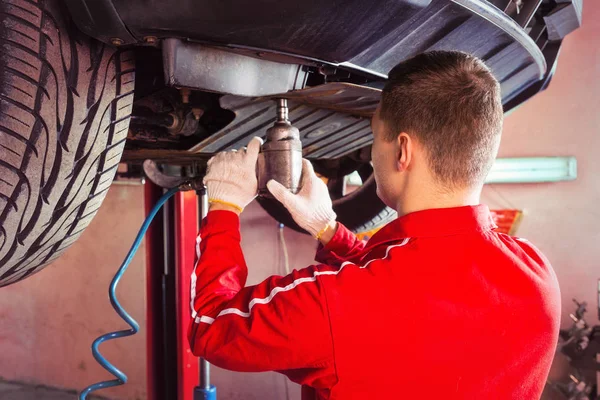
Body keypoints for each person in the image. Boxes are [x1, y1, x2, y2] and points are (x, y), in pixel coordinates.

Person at [188, 51, 560, 400]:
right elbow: (405, 286)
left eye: (373, 137)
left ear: (402, 151)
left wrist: (224, 205)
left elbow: (212, 327)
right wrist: (329, 231)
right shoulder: (537, 273)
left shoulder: (337, 303)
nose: (371, 152)